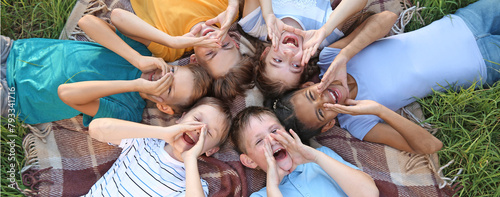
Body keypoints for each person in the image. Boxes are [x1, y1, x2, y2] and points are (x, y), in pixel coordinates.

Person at [270, 0, 499, 154]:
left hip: (463, 22)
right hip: (484, 62)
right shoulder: (359, 122)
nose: (325, 99)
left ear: (309, 84)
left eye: (312, 95)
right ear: (329, 125)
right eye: (321, 111)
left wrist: (345, 55)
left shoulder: (330, 58)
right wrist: (378, 110)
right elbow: (431, 146)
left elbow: (387, 18)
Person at [0, 32, 211, 126]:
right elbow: (89, 21)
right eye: (171, 73)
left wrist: (135, 85)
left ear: (164, 107)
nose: (162, 77)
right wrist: (136, 58)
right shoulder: (140, 55)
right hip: (17, 51)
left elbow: (66, 93)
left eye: (168, 88)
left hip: (17, 96)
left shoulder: (127, 112)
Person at [79, 0, 255, 100]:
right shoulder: (227, 12)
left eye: (210, 52)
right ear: (235, 41)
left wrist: (171, 40)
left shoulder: (169, 50)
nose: (214, 41)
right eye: (225, 45)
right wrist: (233, 6)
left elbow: (117, 16)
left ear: (194, 60)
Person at [85, 97, 232, 196]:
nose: (198, 130)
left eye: (208, 133)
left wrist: (190, 158)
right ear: (181, 118)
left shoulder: (192, 184)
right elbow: (96, 128)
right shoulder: (144, 140)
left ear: (211, 150)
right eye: (196, 120)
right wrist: (163, 132)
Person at [231, 106, 378, 197]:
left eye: (275, 130)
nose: (271, 140)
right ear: (249, 161)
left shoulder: (322, 158)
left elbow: (369, 193)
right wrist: (273, 187)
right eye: (259, 141)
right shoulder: (263, 195)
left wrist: (316, 157)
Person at [238, 0, 369, 98]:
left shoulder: (256, 26)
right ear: (305, 65)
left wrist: (268, 14)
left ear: (264, 54)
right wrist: (326, 29)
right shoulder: (321, 38)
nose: (288, 54)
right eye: (295, 65)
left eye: (277, 60)